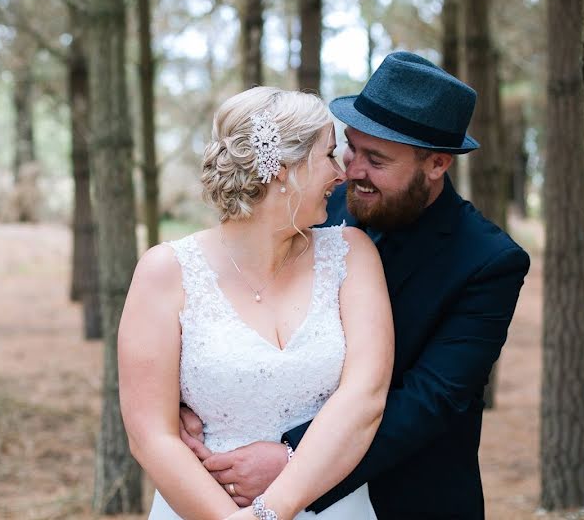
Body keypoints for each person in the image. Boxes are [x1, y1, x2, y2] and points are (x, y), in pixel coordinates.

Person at [180, 52, 531, 519]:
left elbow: (432, 398)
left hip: (408, 496)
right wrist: (196, 396)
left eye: (376, 159)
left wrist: (292, 458)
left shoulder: (489, 261)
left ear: (437, 164)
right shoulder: (313, 203)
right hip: (246, 487)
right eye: (349, 147)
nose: (350, 171)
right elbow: (237, 297)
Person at [118, 86, 395, 520]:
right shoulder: (165, 272)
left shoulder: (351, 253)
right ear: (284, 169)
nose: (340, 174)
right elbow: (151, 436)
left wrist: (270, 512)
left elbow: (365, 397)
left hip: (331, 506)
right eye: (327, 155)